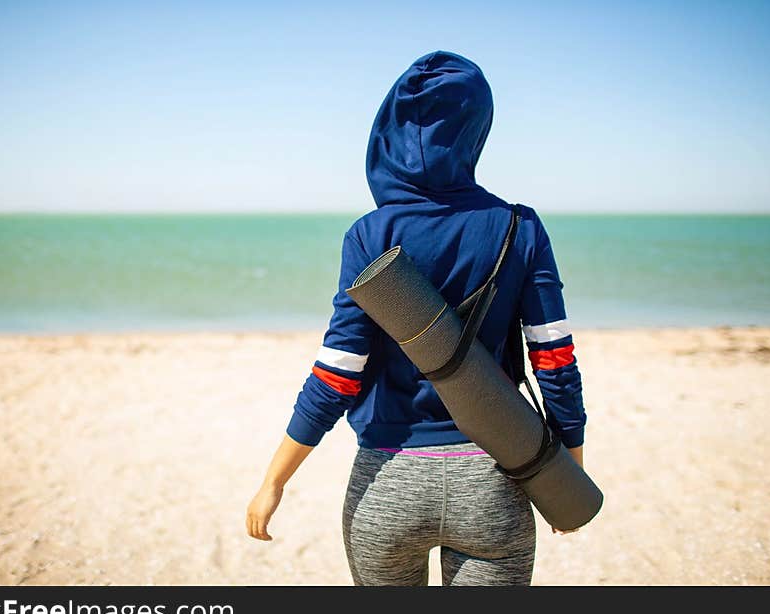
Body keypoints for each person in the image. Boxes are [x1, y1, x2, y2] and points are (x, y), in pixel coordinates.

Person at [246, 51, 587, 586]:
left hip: (387, 484)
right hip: (495, 478)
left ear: (391, 128)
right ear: (478, 128)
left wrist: (275, 479)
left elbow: (337, 373)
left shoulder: (370, 235)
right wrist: (569, 469)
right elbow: (553, 358)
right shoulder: (520, 228)